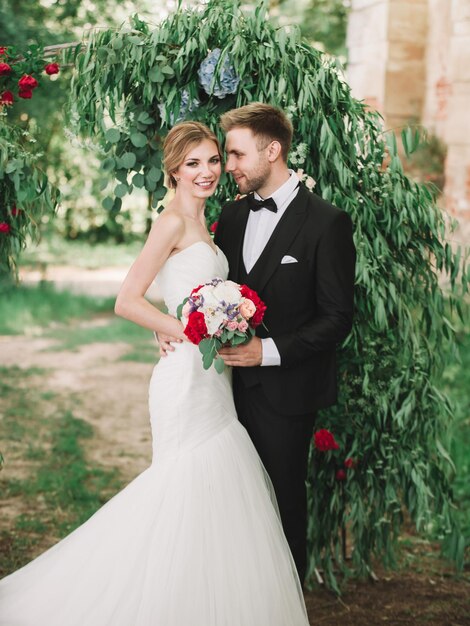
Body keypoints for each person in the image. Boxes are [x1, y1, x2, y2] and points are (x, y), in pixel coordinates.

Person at [0, 121, 309, 626]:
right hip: (185, 381)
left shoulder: (209, 224)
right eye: (194, 164)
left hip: (213, 380)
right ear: (173, 171)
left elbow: (177, 293)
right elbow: (127, 299)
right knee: (183, 484)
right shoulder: (170, 223)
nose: (207, 172)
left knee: (212, 488)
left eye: (213, 161)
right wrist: (189, 329)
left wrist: (191, 320)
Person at [161, 104, 356, 584]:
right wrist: (169, 322)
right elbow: (201, 287)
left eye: (236, 155)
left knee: (281, 505)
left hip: (286, 394)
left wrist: (263, 353)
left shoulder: (326, 223)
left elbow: (337, 318)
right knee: (225, 507)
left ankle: (285, 603)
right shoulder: (228, 215)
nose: (227, 167)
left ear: (273, 150)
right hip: (219, 390)